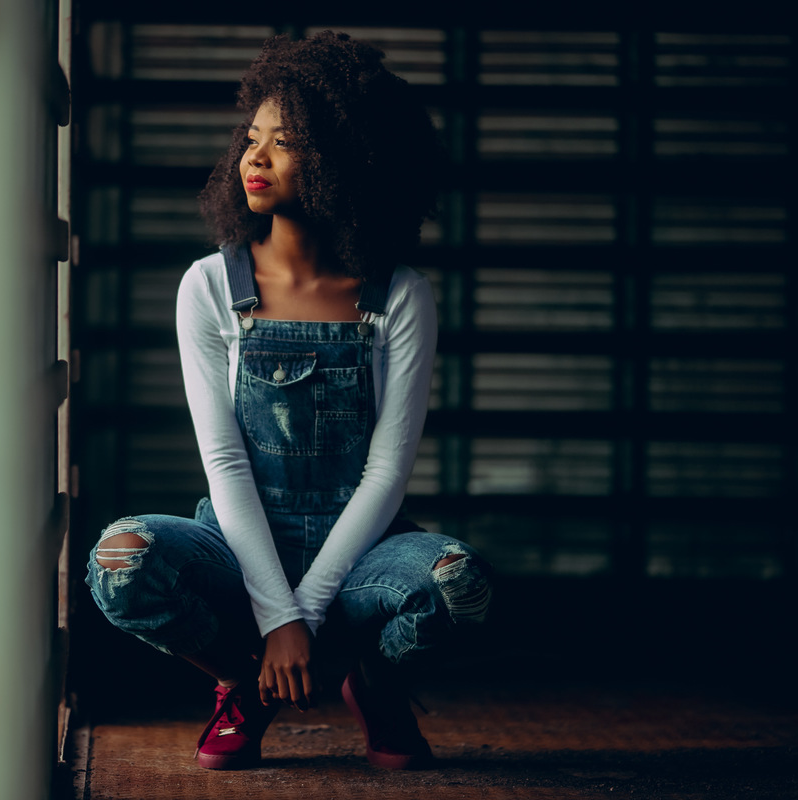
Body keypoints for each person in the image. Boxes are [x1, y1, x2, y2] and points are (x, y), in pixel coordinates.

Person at [86, 31, 493, 770]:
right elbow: (223, 460)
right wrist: (275, 619)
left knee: (458, 584)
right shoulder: (208, 285)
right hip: (239, 550)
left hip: (364, 554)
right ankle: (243, 682)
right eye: (252, 137)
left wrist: (304, 616)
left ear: (349, 157)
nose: (254, 157)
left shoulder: (399, 294)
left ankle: (371, 677)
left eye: (285, 141)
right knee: (118, 560)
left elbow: (387, 472)